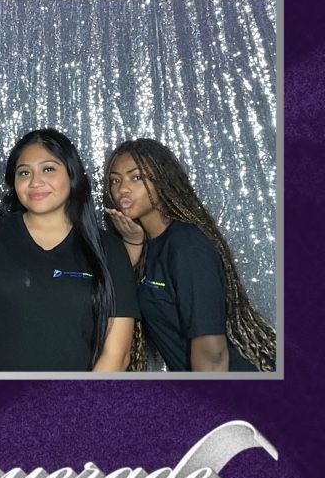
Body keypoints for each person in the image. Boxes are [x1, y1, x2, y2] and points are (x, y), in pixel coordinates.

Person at [104, 140, 276, 373]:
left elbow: (213, 353)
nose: (122, 188)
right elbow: (113, 301)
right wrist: (132, 242)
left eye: (136, 177)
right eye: (115, 180)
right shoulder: (144, 245)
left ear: (163, 180)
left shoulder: (187, 244)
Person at [0, 129, 139, 371]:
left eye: (48, 169)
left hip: (81, 394)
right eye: (24, 173)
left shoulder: (107, 248)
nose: (35, 182)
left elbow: (117, 355)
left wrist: (80, 397)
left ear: (72, 174)